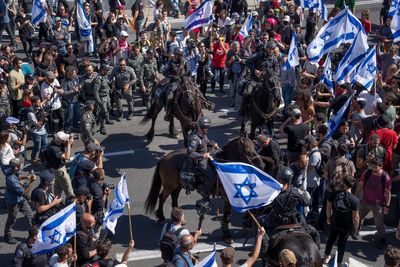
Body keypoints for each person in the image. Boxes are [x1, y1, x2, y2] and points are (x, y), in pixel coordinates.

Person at [355, 157, 391, 248]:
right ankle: (356, 231)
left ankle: (382, 239)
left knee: (379, 224)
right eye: (372, 167)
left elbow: (388, 192)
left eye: (376, 167)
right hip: (365, 201)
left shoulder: (385, 177)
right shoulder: (367, 173)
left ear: (381, 166)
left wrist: (387, 205)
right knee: (358, 217)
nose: (373, 169)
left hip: (378, 204)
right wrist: (356, 195)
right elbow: (361, 184)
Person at [324, 175, 359, 266]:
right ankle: (339, 262)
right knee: (342, 244)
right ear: (351, 186)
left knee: (331, 239)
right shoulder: (355, 200)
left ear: (343, 183)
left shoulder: (333, 194)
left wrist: (328, 217)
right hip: (346, 225)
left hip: (334, 221)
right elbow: (355, 217)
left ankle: (326, 257)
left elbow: (328, 208)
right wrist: (356, 228)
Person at [187, 117, 219, 205]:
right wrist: (202, 155)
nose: (206, 129)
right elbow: (190, 153)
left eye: (207, 127)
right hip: (200, 161)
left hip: (207, 156)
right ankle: (204, 192)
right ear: (199, 128)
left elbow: (207, 141)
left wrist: (213, 144)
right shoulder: (195, 139)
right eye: (205, 128)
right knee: (212, 175)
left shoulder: (203, 135)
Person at [4, 158, 35, 244]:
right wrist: (31, 181)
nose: (20, 167)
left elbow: (19, 177)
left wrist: (26, 177)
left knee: (30, 215)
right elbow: (24, 192)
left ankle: (32, 235)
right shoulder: (11, 179)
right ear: (15, 167)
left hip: (20, 199)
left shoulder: (14, 171)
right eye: (19, 166)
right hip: (13, 202)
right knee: (12, 219)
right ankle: (7, 234)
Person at [162, 47, 190, 121]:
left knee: (194, 89)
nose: (180, 56)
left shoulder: (183, 61)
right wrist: (171, 76)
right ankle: (168, 112)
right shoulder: (169, 62)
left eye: (181, 55)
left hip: (183, 80)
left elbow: (188, 69)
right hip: (173, 82)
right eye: (179, 55)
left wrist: (184, 74)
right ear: (175, 55)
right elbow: (164, 71)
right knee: (169, 97)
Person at [46, 131, 75, 198]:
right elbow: (67, 158)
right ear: (61, 140)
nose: (66, 140)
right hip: (59, 169)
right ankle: (71, 201)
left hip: (56, 168)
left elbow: (69, 148)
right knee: (68, 186)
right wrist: (69, 144)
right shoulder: (54, 148)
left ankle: (57, 200)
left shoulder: (57, 142)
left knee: (58, 186)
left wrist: (71, 141)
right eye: (65, 139)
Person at [93, 64, 114, 135]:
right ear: (102, 70)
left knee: (108, 108)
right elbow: (95, 92)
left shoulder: (104, 76)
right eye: (106, 70)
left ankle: (106, 119)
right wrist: (99, 102)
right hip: (102, 97)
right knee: (103, 112)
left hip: (107, 96)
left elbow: (106, 84)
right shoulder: (98, 79)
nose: (108, 71)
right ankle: (102, 127)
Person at [27, 96, 48, 164]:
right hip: (36, 132)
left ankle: (42, 158)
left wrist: (46, 99)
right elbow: (37, 126)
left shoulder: (39, 106)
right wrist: (43, 116)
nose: (40, 104)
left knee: (44, 145)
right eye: (38, 103)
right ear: (33, 103)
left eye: (40, 102)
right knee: (37, 148)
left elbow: (42, 103)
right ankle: (33, 159)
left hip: (43, 130)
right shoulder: (31, 113)